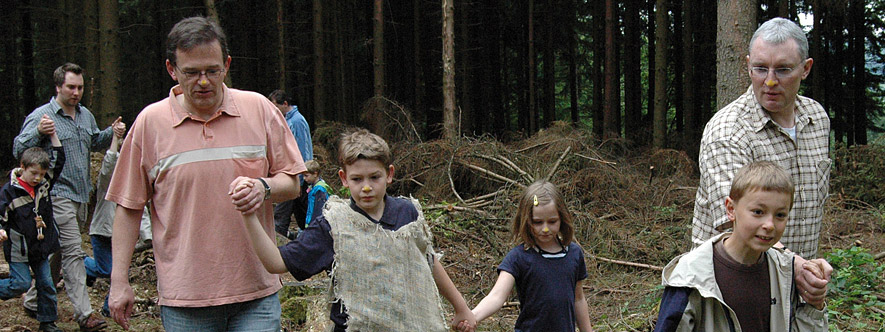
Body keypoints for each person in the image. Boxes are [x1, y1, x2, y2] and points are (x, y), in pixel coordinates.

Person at [105, 16, 304, 331]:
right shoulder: (150, 123)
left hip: (256, 294)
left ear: (226, 64)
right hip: (185, 300)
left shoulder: (259, 109)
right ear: (172, 69)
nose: (203, 82)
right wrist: (119, 281)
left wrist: (263, 188)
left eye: (212, 71)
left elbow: (292, 183)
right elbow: (128, 207)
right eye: (192, 72)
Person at [236, 129, 476, 331]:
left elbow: (429, 261)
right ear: (343, 178)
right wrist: (249, 214)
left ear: (389, 174)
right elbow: (276, 263)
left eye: (374, 177)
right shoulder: (333, 225)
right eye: (357, 179)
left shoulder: (407, 213)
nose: (367, 188)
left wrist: (460, 306)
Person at [691, 17, 831, 308]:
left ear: (805, 68)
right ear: (747, 66)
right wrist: (796, 266)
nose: (769, 81)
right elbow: (730, 223)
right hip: (731, 289)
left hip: (796, 286)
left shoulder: (817, 120)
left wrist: (804, 271)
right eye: (760, 68)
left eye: (782, 70)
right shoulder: (728, 132)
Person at [13, 62, 124, 331]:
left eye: (80, 87)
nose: (76, 92)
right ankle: (85, 314)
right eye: (71, 87)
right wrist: (39, 131)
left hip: (81, 194)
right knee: (74, 251)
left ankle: (33, 299)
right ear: (58, 87)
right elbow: (19, 148)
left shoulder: (85, 115)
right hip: (54, 194)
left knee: (60, 251)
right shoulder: (43, 115)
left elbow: (95, 141)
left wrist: (113, 132)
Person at [655, 161, 828, 331]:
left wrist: (814, 305)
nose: (770, 225)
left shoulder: (785, 272)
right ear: (731, 209)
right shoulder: (691, 277)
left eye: (780, 215)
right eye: (758, 212)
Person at [469, 181, 593, 332]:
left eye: (552, 221)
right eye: (538, 222)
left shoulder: (574, 254)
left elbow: (578, 299)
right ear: (526, 221)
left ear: (562, 219)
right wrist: (472, 316)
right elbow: (496, 296)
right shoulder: (519, 257)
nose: (545, 229)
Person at [0, 130, 65, 332]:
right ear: (22, 168)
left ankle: (47, 322)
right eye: (33, 173)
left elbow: (59, 160)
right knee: (20, 284)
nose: (37, 178)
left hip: (40, 245)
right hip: (18, 248)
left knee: (46, 283)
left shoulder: (44, 185)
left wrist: (54, 135)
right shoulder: (9, 191)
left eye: (41, 174)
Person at [83, 132, 151, 317]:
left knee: (121, 271)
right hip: (101, 232)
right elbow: (108, 164)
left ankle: (109, 308)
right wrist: (115, 140)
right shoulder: (107, 184)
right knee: (106, 270)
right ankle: (82, 263)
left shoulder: (134, 185)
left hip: (121, 236)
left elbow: (140, 209)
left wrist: (148, 236)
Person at [269, 89, 313, 239]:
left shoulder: (297, 122)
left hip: (295, 177)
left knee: (281, 218)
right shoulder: (287, 121)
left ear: (285, 104)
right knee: (303, 218)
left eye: (275, 106)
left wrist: (300, 180)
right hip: (291, 176)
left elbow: (301, 151)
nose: (273, 110)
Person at [302, 159, 330, 228]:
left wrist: (314, 225)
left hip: (317, 223)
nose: (304, 178)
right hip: (311, 221)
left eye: (306, 176)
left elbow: (319, 209)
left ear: (315, 174)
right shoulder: (313, 187)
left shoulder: (320, 189)